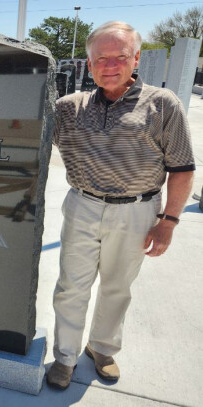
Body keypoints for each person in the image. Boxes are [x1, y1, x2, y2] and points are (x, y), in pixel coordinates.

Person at [47, 21, 195, 390]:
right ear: (89, 62)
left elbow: (182, 169)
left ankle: (102, 348)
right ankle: (64, 357)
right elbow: (24, 134)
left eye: (120, 56)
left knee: (117, 287)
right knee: (70, 287)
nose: (109, 65)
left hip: (137, 211)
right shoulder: (69, 108)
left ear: (136, 59)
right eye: (101, 58)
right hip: (81, 206)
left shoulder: (162, 104)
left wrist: (169, 222)